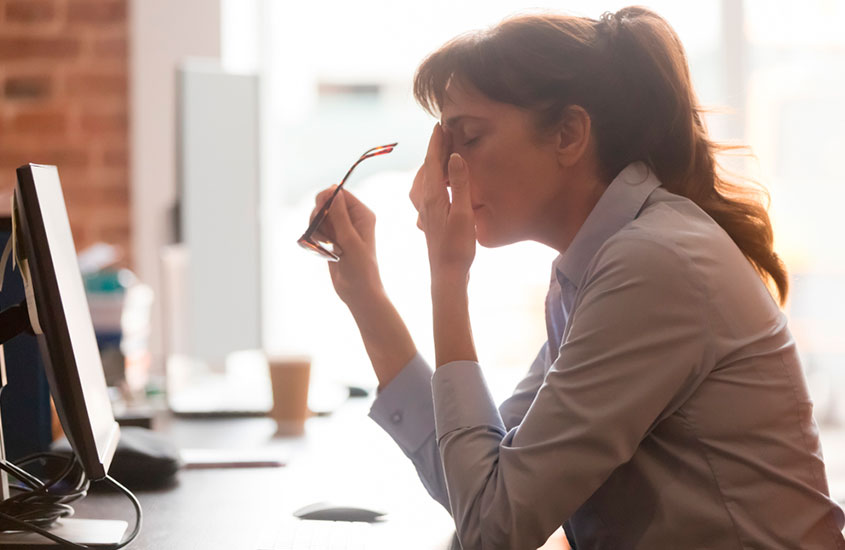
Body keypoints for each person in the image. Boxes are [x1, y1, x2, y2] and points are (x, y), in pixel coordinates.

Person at [307, 7, 845, 550]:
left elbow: (495, 527)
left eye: (466, 138)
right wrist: (366, 296)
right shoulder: (602, 264)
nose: (445, 170)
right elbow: (478, 481)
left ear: (568, 134)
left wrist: (448, 278)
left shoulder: (652, 264)